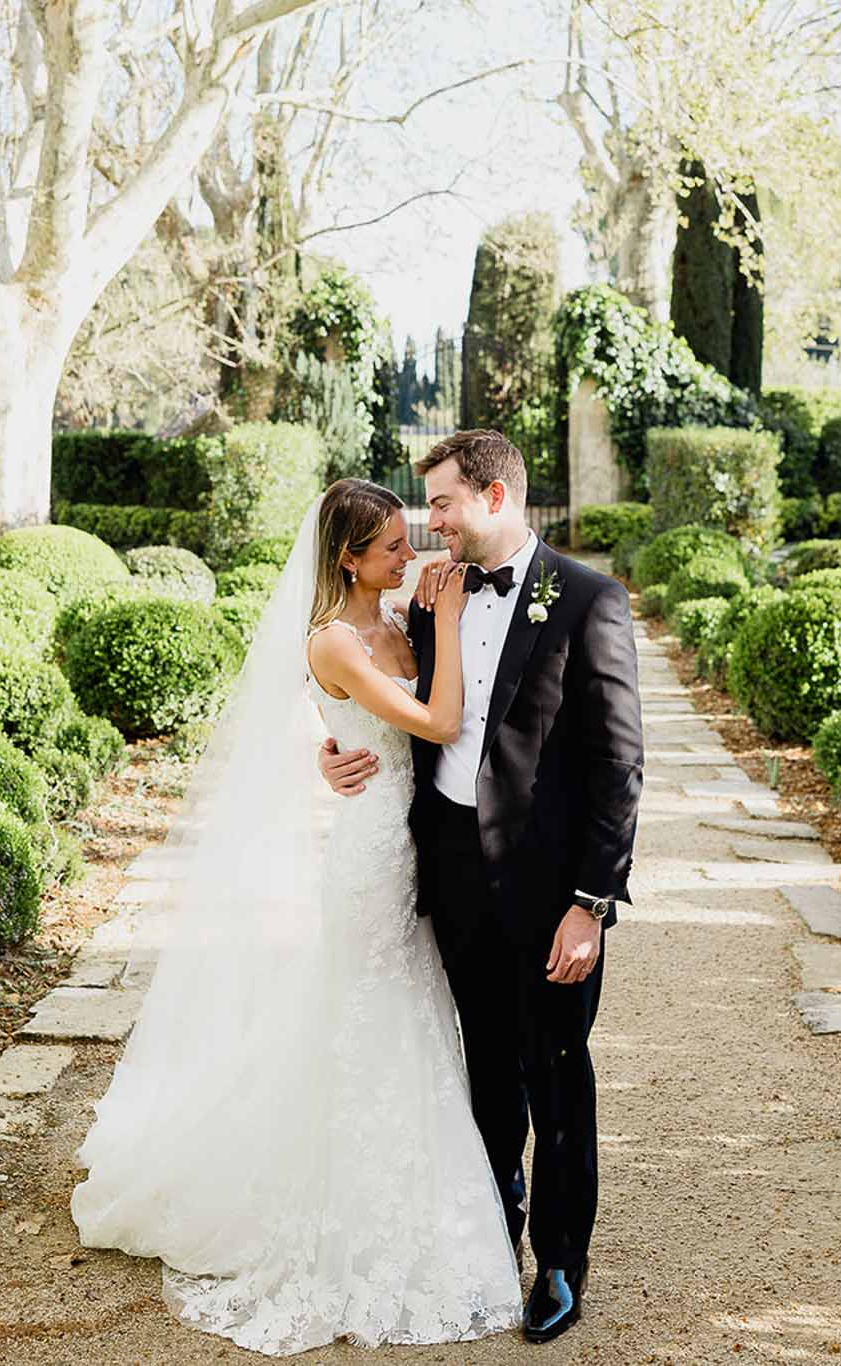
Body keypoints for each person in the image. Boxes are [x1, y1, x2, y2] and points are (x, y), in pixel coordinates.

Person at [70, 478, 523, 1355]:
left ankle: (423, 1201)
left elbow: (375, 721)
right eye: (392, 545)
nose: (409, 552)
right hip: (372, 857)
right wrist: (444, 626)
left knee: (413, 1012)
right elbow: (437, 720)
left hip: (415, 839)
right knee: (369, 1016)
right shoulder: (335, 641)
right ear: (348, 558)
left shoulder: (393, 617)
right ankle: (353, 1219)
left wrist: (414, 633)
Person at [318, 429, 644, 1344]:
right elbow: (380, 697)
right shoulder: (429, 597)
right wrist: (332, 751)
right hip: (447, 868)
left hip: (548, 892)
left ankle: (562, 1263)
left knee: (556, 1070)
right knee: (482, 1066)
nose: (432, 524)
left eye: (446, 504)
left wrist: (591, 903)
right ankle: (490, 1232)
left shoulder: (589, 601)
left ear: (495, 499)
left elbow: (620, 769)